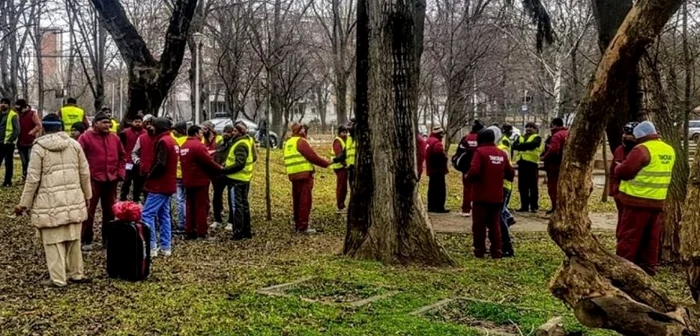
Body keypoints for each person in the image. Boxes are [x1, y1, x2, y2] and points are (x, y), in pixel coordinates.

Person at [15, 113, 92, 287]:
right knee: (74, 238)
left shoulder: (39, 148)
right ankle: (76, 273)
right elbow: (84, 173)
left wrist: (24, 204)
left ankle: (58, 278)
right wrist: (87, 196)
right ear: (61, 127)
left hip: (48, 201)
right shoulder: (74, 145)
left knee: (52, 240)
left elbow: (32, 178)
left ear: (44, 128)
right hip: (73, 198)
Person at [614, 121, 675, 276]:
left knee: (629, 237)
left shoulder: (641, 150)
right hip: (657, 202)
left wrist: (618, 167)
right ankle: (648, 269)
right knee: (651, 239)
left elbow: (625, 172)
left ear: (640, 136)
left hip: (636, 201)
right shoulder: (669, 150)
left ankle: (624, 270)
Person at [78, 111, 126, 251]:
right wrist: (84, 176)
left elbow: (122, 156)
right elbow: (79, 158)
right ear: (95, 124)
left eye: (109, 122)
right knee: (89, 210)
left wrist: (120, 173)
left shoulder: (114, 138)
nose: (108, 125)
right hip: (92, 180)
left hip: (111, 179)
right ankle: (87, 239)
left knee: (110, 211)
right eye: (104, 122)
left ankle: (108, 239)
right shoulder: (85, 138)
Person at [466, 127, 515, 259]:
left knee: (479, 225)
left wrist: (468, 177)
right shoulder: (501, 153)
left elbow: (474, 171)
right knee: (495, 224)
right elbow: (511, 173)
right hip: (497, 195)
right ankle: (497, 251)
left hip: (480, 195)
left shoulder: (480, 152)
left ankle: (479, 250)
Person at [284, 123, 336, 233]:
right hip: (304, 175)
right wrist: (326, 163)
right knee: (305, 201)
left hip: (293, 175)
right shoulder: (301, 142)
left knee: (297, 201)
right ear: (298, 131)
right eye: (303, 129)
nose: (305, 131)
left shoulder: (288, 142)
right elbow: (312, 156)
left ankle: (298, 224)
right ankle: (303, 227)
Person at [142, 117, 179, 257]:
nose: (151, 128)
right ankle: (165, 246)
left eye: (153, 125)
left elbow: (160, 163)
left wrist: (149, 176)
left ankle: (151, 247)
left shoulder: (163, 141)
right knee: (164, 215)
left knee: (147, 214)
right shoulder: (172, 140)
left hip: (159, 185)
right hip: (168, 184)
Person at [180, 125, 222, 240]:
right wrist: (220, 169)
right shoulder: (198, 146)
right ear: (196, 133)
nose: (202, 135)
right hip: (200, 181)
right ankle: (201, 232)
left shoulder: (184, 145)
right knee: (201, 206)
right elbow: (208, 161)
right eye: (200, 133)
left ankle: (190, 230)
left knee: (190, 206)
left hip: (188, 180)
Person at [222, 122, 258, 240]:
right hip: (245, 178)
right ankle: (246, 231)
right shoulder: (247, 141)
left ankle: (238, 232)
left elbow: (240, 163)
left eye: (235, 131)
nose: (232, 133)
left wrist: (225, 170)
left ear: (240, 132)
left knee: (237, 206)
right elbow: (253, 158)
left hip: (236, 179)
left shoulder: (240, 144)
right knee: (244, 205)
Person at [610, 122, 639, 235]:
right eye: (625, 134)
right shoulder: (619, 150)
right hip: (621, 194)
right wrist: (613, 190)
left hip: (636, 196)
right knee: (622, 222)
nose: (626, 137)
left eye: (629, 134)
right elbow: (613, 171)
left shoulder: (640, 151)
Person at [455, 120, 483, 217]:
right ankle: (477, 210)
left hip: (466, 167)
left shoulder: (466, 138)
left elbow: (459, 152)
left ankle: (466, 210)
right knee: (479, 189)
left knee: (467, 188)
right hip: (479, 167)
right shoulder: (481, 138)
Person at [541, 118, 569, 215]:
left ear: (554, 125)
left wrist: (544, 157)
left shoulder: (557, 135)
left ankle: (556, 208)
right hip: (566, 166)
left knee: (553, 188)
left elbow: (553, 149)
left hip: (554, 165)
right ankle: (563, 208)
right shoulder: (568, 133)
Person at [513, 122, 543, 213]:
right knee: (522, 186)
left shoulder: (537, 138)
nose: (528, 129)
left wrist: (521, 147)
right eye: (527, 127)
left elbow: (532, 145)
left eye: (531, 127)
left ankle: (534, 206)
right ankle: (524, 206)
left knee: (533, 186)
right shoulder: (520, 137)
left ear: (535, 129)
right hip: (521, 163)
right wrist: (525, 146)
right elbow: (514, 145)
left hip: (532, 163)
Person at [212, 125, 236, 231]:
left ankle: (231, 221)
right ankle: (217, 219)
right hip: (219, 174)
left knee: (231, 199)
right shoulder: (219, 144)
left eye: (228, 132)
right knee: (216, 197)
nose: (225, 134)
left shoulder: (235, 144)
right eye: (224, 131)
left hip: (231, 174)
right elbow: (216, 156)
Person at [119, 113, 145, 202]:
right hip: (128, 161)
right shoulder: (125, 132)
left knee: (138, 182)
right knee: (126, 182)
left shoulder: (145, 133)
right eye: (136, 121)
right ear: (132, 122)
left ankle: (136, 199)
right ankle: (122, 198)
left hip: (139, 161)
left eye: (139, 122)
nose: (137, 123)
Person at [15, 99, 42, 181]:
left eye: (21, 109)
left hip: (30, 141)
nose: (20, 112)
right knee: (23, 161)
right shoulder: (17, 115)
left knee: (30, 160)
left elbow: (38, 125)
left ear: (24, 107)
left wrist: (32, 132)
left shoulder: (32, 114)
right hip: (20, 141)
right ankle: (25, 174)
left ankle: (31, 176)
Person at [130, 114, 156, 201]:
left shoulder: (161, 138)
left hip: (158, 173)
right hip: (144, 172)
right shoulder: (141, 138)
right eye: (147, 123)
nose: (150, 126)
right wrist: (138, 162)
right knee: (146, 195)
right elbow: (134, 153)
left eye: (151, 123)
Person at [426, 126, 449, 213]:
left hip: (431, 169)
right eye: (442, 134)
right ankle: (439, 207)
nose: (442, 136)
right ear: (439, 134)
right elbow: (439, 153)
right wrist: (445, 157)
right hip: (438, 169)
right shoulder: (437, 143)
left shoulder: (429, 140)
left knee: (431, 188)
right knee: (440, 189)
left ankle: (431, 206)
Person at [170, 121, 188, 234]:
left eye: (174, 130)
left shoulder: (174, 141)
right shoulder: (190, 140)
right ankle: (187, 223)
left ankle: (181, 224)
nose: (173, 132)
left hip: (177, 174)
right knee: (186, 200)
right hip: (188, 174)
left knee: (179, 200)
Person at [499, 124, 516, 227]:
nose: (511, 132)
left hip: (505, 173)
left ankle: (508, 218)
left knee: (501, 204)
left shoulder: (504, 140)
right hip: (506, 171)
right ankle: (508, 217)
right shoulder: (504, 140)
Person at [0, 98, 19, 187]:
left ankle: (7, 182)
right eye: (1, 103)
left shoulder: (13, 115)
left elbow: (17, 130)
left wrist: (10, 140)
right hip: (0, 142)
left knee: (8, 164)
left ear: (8, 105)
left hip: (8, 143)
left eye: (5, 103)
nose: (3, 105)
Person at [330, 125, 349, 213]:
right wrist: (344, 164)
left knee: (343, 187)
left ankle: (341, 205)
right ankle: (340, 206)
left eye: (346, 132)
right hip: (340, 167)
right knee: (342, 187)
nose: (345, 134)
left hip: (342, 166)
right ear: (339, 133)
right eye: (343, 132)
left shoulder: (344, 140)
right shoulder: (338, 141)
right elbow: (339, 154)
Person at [345, 119, 357, 186]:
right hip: (350, 167)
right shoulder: (349, 139)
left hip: (357, 166)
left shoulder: (359, 138)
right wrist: (335, 160)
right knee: (351, 185)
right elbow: (345, 153)